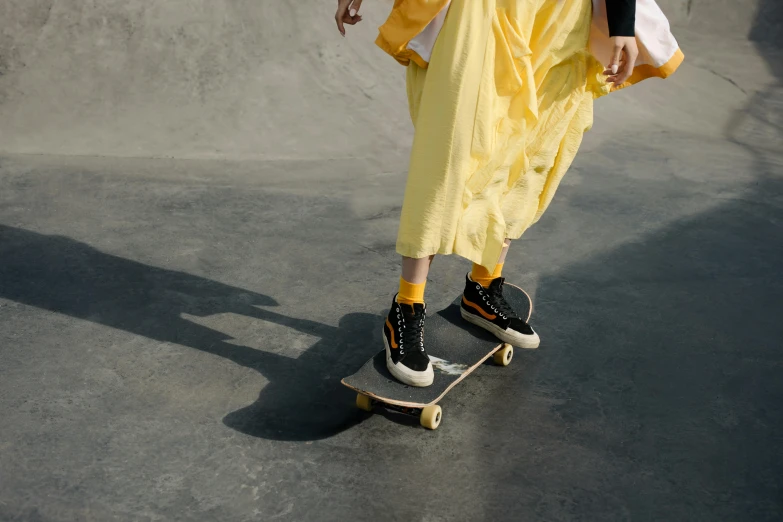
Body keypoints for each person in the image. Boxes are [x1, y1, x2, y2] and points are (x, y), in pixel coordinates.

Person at [335, 0, 683, 387]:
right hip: (482, 10)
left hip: (561, 14)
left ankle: (482, 288)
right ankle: (407, 306)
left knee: (531, 153)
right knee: (449, 155)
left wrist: (622, 21)